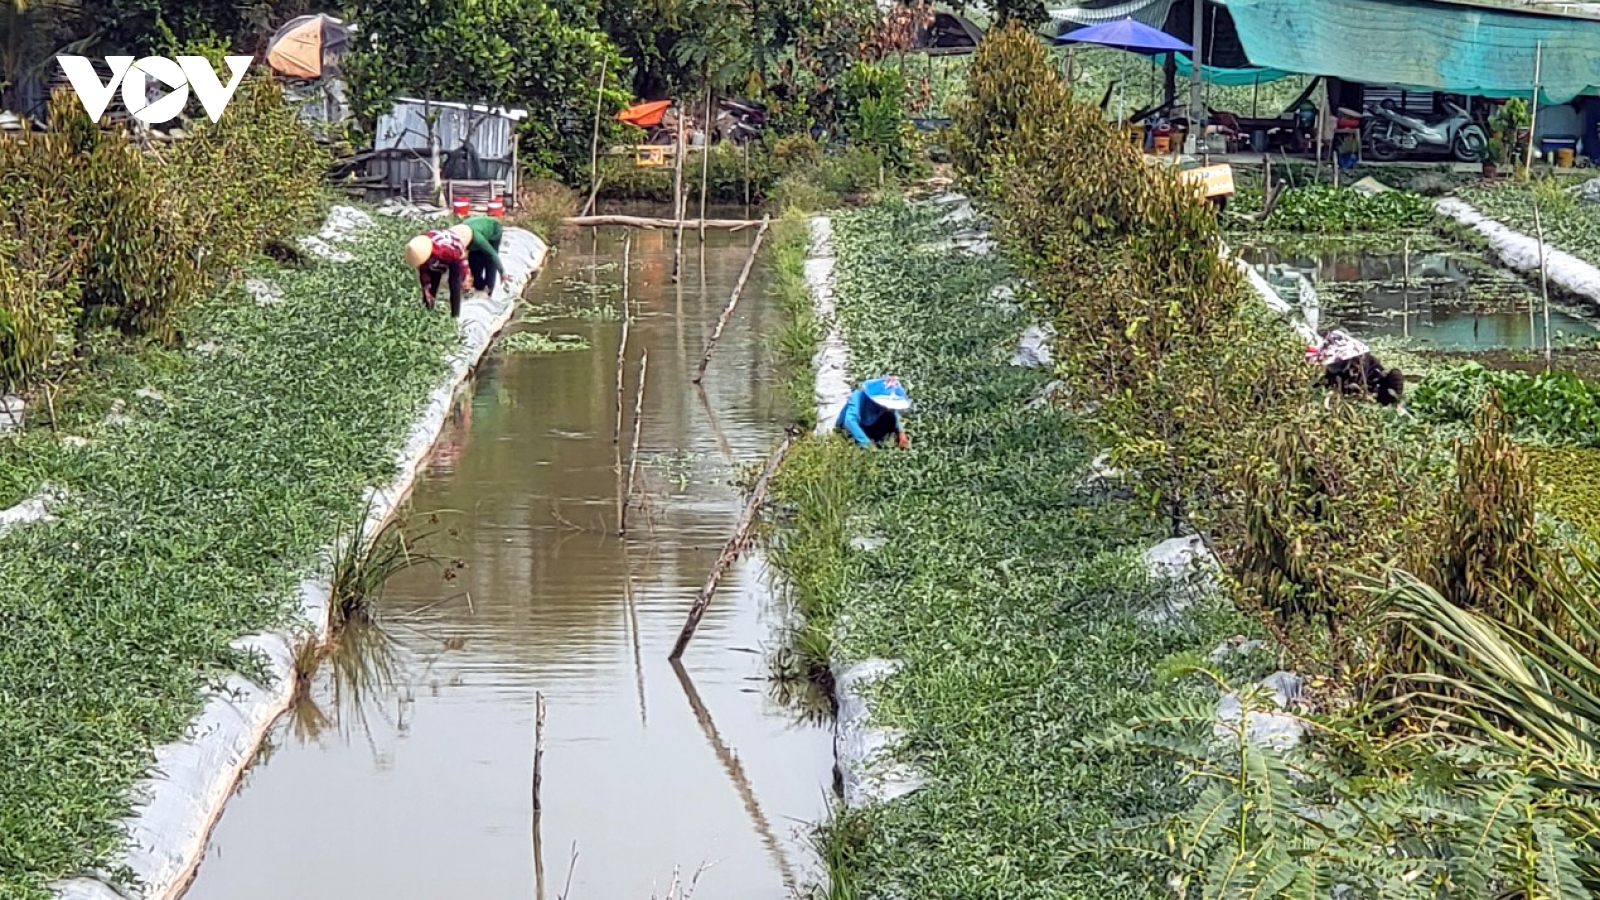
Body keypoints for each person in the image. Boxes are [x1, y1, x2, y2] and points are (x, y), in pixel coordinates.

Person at [402, 216, 505, 317]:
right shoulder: (421, 250)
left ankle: (455, 314)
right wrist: (426, 289)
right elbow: (424, 272)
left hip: (454, 253)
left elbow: (462, 258)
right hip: (437, 253)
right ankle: (428, 310)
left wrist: (465, 276)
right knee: (432, 279)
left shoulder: (448, 248)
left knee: (454, 282)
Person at [837, 377, 911, 449]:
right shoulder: (858, 396)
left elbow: (894, 413)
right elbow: (850, 421)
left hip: (871, 424)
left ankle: (881, 441)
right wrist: (868, 445)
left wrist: (901, 432)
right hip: (850, 429)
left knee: (890, 417)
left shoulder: (887, 407)